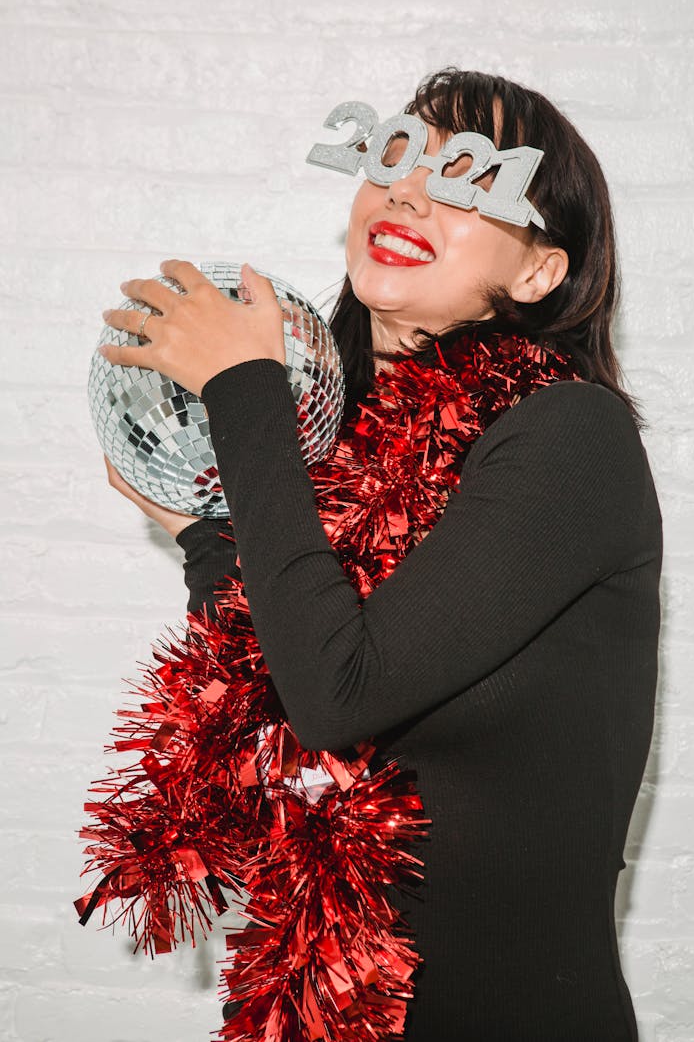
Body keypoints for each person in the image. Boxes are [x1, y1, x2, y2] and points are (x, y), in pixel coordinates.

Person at [98, 68, 662, 1041]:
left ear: (537, 273)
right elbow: (277, 704)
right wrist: (207, 528)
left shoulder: (571, 438)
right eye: (397, 156)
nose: (407, 190)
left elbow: (338, 691)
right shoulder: (337, 458)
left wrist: (244, 387)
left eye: (468, 177)